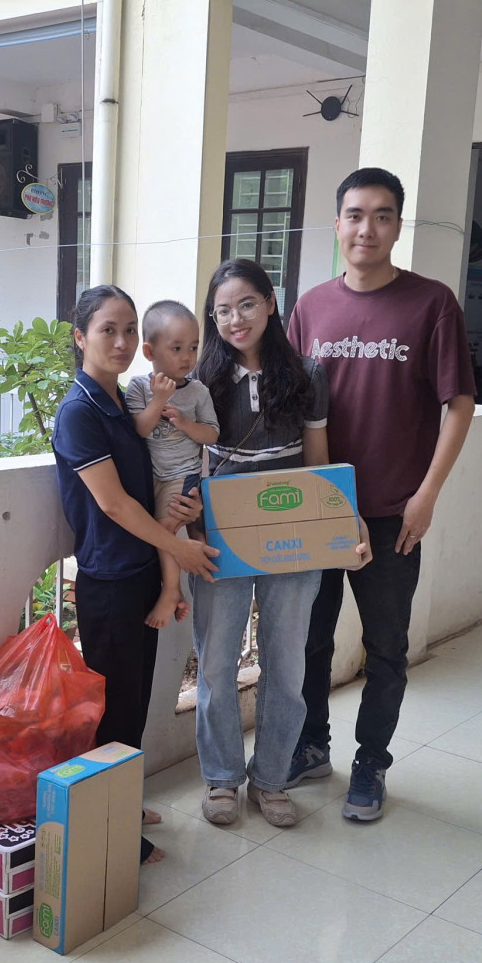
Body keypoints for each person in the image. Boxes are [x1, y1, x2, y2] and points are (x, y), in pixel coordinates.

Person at [286, 167, 477, 821]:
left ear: (397, 226)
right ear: (337, 224)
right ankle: (311, 744)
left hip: (396, 511)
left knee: (386, 647)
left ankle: (371, 763)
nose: (367, 228)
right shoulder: (310, 307)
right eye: (355, 214)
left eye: (382, 215)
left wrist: (427, 495)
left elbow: (459, 403)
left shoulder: (431, 303)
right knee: (309, 640)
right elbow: (290, 407)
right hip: (321, 507)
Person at [190, 259, 369, 829]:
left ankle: (270, 778)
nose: (235, 319)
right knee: (216, 666)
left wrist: (343, 520)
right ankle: (222, 777)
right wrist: (186, 525)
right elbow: (184, 459)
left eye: (246, 304)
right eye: (222, 310)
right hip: (219, 536)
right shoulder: (200, 380)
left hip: (292, 537)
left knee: (287, 665)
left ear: (270, 303)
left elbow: (317, 464)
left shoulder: (308, 375)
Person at [52, 284, 220, 863]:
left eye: (129, 330)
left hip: (142, 567)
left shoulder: (123, 402)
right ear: (81, 337)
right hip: (109, 579)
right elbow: (115, 504)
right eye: (108, 330)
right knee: (113, 708)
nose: (121, 341)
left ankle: (121, 799)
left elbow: (150, 485)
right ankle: (110, 831)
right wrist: (183, 552)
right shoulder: (79, 411)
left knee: (136, 701)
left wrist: (179, 517)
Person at [123, 301, 220, 629]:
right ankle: (186, 580)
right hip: (150, 476)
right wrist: (160, 400)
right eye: (177, 348)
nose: (187, 357)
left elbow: (212, 434)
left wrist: (186, 424)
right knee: (155, 531)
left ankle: (171, 591)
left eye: (193, 347)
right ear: (149, 352)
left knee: (164, 529)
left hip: (183, 474)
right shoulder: (138, 387)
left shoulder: (198, 391)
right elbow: (139, 429)